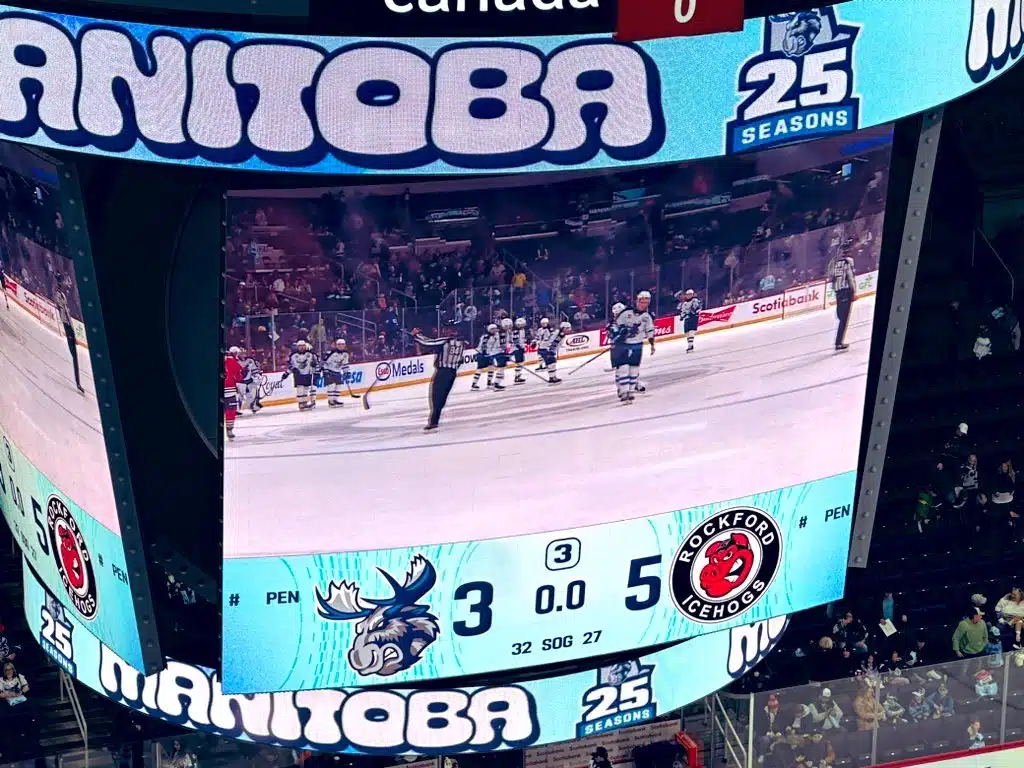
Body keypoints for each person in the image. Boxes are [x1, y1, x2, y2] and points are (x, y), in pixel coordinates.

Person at [413, 327, 466, 432]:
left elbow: (428, 342)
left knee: (436, 395)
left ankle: (434, 421)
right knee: (442, 397)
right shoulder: (462, 344)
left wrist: (417, 335)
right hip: (452, 373)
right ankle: (434, 420)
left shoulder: (445, 341)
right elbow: (461, 360)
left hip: (443, 372)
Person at [53, 274, 85, 394]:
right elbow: (60, 305)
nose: (61, 285)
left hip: (69, 324)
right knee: (74, 355)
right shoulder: (58, 295)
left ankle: (78, 382)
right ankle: (78, 383)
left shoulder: (62, 295)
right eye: (60, 283)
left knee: (75, 356)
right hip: (66, 324)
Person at [828, 239, 857, 351]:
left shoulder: (833, 262)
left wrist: (835, 288)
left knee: (841, 316)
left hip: (838, 291)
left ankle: (838, 342)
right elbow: (850, 277)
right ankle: (838, 343)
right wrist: (853, 292)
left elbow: (831, 277)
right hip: (846, 291)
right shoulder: (848, 261)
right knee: (844, 318)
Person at [281, 339, 318, 410]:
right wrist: (287, 373)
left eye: (303, 346)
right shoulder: (293, 355)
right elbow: (291, 366)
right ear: (297, 347)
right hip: (298, 375)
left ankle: (304, 403)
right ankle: (301, 404)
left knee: (305, 389)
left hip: (307, 374)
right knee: (300, 389)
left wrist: (315, 364)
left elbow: (316, 362)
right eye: (300, 346)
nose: (302, 347)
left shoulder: (310, 354)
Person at [322, 338, 352, 408]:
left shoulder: (346, 354)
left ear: (345, 345)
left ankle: (335, 400)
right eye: (339, 344)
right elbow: (325, 362)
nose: (341, 346)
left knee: (339, 386)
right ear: (336, 345)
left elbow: (345, 364)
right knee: (331, 386)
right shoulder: (331, 353)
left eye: (342, 344)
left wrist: (346, 372)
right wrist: (325, 371)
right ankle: (330, 401)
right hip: (329, 371)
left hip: (338, 372)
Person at [471, 323, 501, 390]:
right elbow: (483, 346)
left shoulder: (494, 336)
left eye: (495, 329)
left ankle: (489, 383)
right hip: (483, 355)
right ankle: (474, 385)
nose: (494, 330)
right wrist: (485, 354)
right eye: (492, 329)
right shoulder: (486, 337)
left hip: (488, 354)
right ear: (489, 330)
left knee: (491, 368)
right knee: (479, 369)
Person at [224, 351, 245, 441]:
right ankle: (229, 430)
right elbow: (239, 376)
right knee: (230, 411)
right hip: (229, 391)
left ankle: (228, 430)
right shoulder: (231, 361)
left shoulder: (231, 361)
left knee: (230, 411)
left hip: (226, 391)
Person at [676, 288, 702, 353]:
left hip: (693, 318)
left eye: (690, 294)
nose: (688, 296)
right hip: (687, 318)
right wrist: (682, 316)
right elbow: (682, 311)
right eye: (687, 294)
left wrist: (694, 312)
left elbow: (698, 308)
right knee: (687, 332)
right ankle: (690, 345)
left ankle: (690, 346)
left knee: (691, 331)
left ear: (692, 295)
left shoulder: (695, 300)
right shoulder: (684, 303)